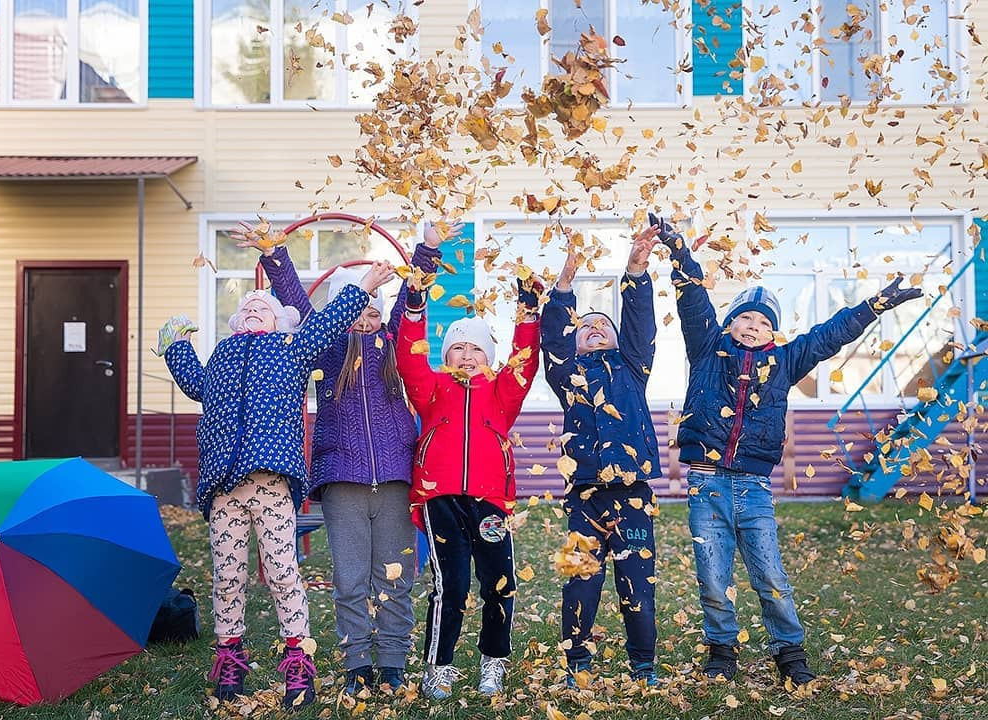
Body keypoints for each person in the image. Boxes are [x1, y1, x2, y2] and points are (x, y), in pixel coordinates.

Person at [656, 211, 923, 687]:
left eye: (763, 321)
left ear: (772, 331)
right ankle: (722, 649)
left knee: (770, 578)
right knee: (713, 577)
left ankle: (789, 652)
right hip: (706, 483)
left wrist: (874, 305)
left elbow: (829, 335)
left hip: (753, 488)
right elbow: (693, 301)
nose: (752, 326)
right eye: (745, 317)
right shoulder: (706, 348)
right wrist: (680, 253)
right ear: (730, 322)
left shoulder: (783, 362)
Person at [157, 260, 396, 709]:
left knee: (283, 573)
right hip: (224, 486)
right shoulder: (223, 356)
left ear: (280, 321)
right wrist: (176, 345)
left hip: (270, 483)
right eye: (246, 305)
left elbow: (326, 324)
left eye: (262, 306)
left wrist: (362, 288)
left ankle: (298, 661)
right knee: (227, 576)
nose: (252, 306)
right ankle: (229, 656)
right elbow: (195, 385)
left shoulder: (292, 348)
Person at [241, 221, 461, 694]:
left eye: (373, 314)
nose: (367, 320)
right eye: (359, 312)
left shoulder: (395, 346)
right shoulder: (329, 345)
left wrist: (429, 248)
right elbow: (298, 302)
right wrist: (274, 255)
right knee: (351, 578)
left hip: (397, 476)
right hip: (343, 478)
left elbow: (409, 300)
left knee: (396, 575)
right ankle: (357, 661)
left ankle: (393, 659)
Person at [394, 273, 542, 699]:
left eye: (477, 347)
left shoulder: (502, 391)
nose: (467, 354)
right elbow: (410, 359)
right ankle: (438, 667)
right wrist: (415, 306)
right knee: (451, 585)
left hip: (490, 503)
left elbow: (525, 359)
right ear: (447, 355)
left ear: (489, 356)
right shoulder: (432, 388)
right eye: (458, 346)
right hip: (440, 500)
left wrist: (528, 312)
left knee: (499, 581)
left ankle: (493, 661)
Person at [540, 224, 664, 688]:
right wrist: (564, 287)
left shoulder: (633, 367)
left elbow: (640, 325)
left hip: (632, 494)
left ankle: (643, 665)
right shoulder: (567, 375)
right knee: (581, 581)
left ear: (616, 340)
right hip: (585, 500)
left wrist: (635, 271)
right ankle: (578, 665)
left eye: (603, 325)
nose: (594, 328)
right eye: (585, 326)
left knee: (637, 585)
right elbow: (552, 339)